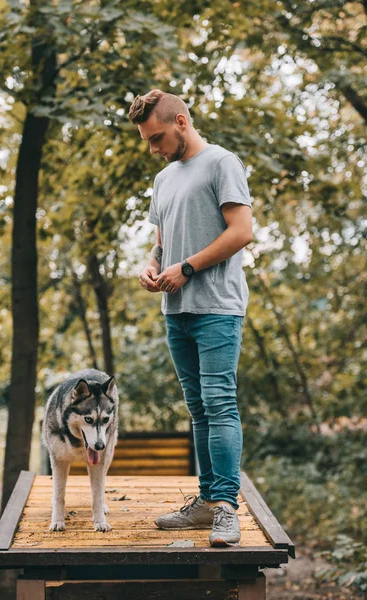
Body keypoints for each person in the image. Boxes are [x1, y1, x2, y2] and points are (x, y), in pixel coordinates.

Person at [128, 89, 253, 547]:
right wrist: (152, 263)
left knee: (220, 404)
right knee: (198, 410)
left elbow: (242, 231)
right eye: (147, 140)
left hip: (217, 306)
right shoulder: (164, 180)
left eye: (157, 137)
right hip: (175, 310)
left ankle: (225, 509)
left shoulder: (222, 163)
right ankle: (205, 502)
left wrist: (187, 268)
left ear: (181, 121)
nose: (153, 148)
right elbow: (162, 243)